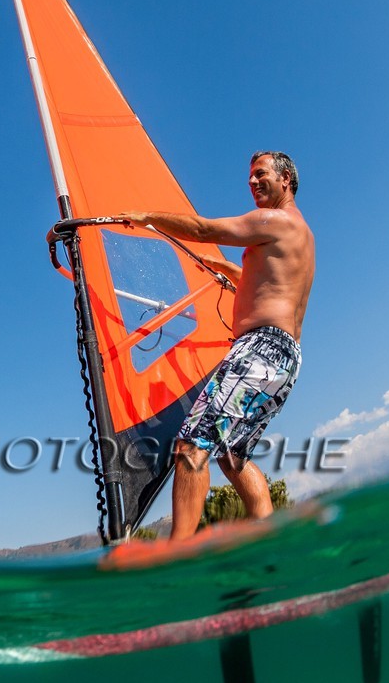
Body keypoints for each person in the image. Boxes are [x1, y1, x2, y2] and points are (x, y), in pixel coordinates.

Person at [113, 150, 315, 540]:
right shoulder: (300, 233)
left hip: (260, 348)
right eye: (250, 176)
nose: (252, 181)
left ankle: (179, 553)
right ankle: (268, 540)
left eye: (261, 174)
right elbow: (271, 283)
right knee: (233, 456)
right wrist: (228, 270)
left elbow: (204, 229)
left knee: (193, 445)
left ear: (285, 180)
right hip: (285, 356)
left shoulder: (274, 219)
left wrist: (146, 218)